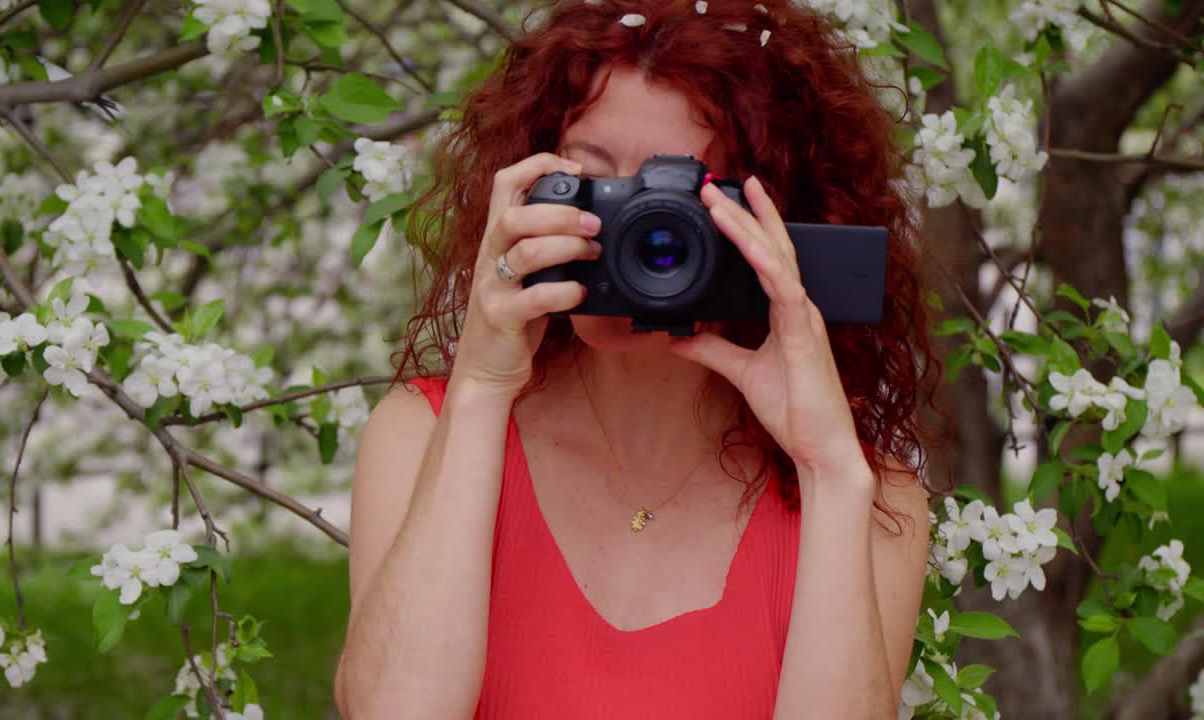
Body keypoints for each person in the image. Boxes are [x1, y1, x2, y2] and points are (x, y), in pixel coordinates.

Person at [335, 0, 943, 717]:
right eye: (598, 183)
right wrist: (481, 385)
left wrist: (829, 469)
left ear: (773, 225)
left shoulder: (869, 500)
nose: (634, 231)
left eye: (678, 196)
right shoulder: (422, 436)